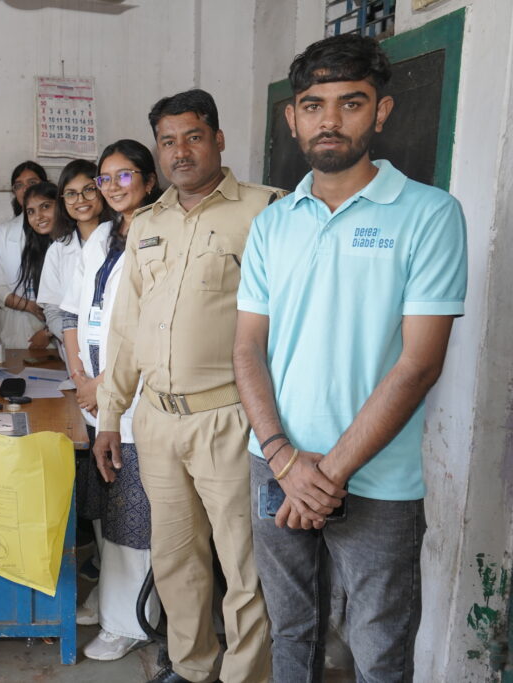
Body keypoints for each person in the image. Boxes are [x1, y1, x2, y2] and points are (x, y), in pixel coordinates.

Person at [234, 35, 467, 681]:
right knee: (291, 635)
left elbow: (420, 363)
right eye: (313, 105)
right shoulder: (273, 223)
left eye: (350, 103)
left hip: (377, 480)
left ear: (382, 111)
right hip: (274, 465)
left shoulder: (430, 214)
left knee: (379, 652)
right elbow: (247, 345)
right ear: (293, 117)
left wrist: (327, 474)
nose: (329, 120)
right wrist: (283, 457)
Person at [96, 91, 283, 683]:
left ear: (219, 139)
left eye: (194, 136)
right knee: (176, 560)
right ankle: (193, 666)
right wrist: (109, 416)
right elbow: (124, 329)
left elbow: (290, 322)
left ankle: (244, 674)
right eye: (168, 140)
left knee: (244, 565)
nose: (181, 151)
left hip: (229, 416)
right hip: (155, 421)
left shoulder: (265, 212)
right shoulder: (146, 223)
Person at [62, 140, 162, 661]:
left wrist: (105, 386)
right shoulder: (100, 236)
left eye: (125, 177)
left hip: (137, 396)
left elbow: (157, 326)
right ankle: (110, 596)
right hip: (93, 392)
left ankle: (130, 622)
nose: (113, 187)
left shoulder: (163, 230)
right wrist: (81, 375)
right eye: (106, 178)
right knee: (103, 506)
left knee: (133, 512)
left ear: (147, 179)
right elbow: (77, 315)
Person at [39, 159, 113, 360]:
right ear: (63, 200)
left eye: (89, 190)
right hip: (75, 356)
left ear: (102, 190)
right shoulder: (58, 250)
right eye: (71, 194)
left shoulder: (121, 240)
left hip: (117, 351)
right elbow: (53, 311)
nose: (80, 200)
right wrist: (75, 340)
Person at [0, 161, 49, 349]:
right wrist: (30, 306)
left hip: (58, 331)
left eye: (32, 183)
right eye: (19, 185)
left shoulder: (63, 233)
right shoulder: (3, 233)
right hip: (18, 329)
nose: (25, 189)